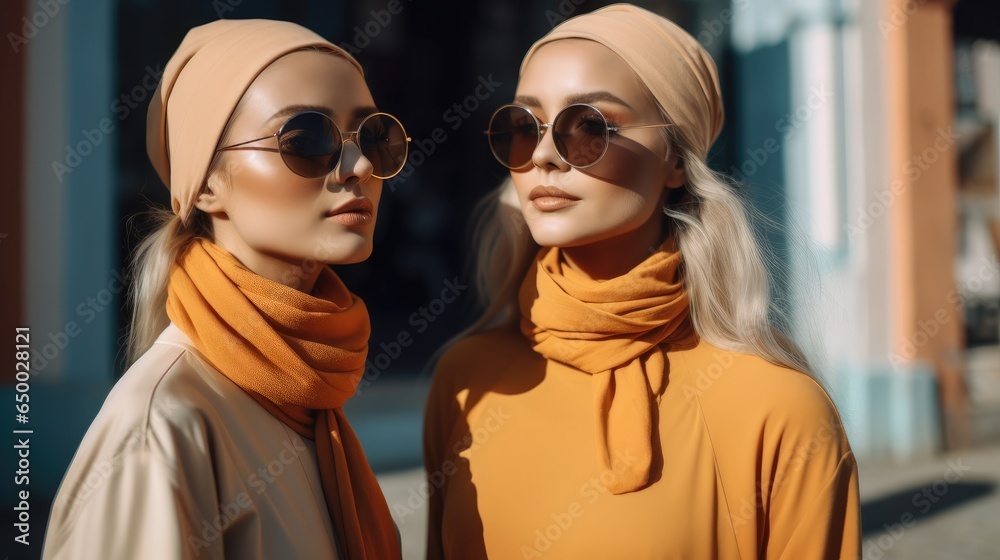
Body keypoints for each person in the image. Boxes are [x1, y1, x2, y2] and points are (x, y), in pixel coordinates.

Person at [423, 5, 860, 559]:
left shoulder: (781, 409)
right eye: (525, 126)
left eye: (590, 127)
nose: (543, 156)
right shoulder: (466, 380)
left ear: (675, 159)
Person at [42, 19, 409, 560]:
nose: (359, 167)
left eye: (374, 137)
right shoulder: (160, 430)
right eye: (307, 139)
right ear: (208, 183)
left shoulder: (307, 390)